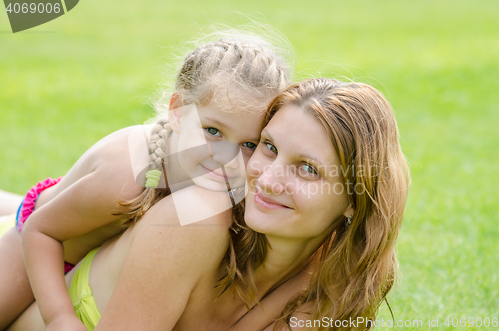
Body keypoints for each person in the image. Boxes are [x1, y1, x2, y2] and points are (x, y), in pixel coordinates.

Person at [6, 77, 410, 331]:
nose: (265, 179)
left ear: (355, 201)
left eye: (307, 169)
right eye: (268, 147)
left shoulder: (343, 275)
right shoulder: (196, 220)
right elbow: (42, 229)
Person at [0, 27, 292, 330]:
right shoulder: (126, 177)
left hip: (93, 252)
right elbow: (41, 231)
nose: (226, 156)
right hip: (35, 245)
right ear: (178, 111)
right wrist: (60, 317)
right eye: (213, 131)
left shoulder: (221, 173)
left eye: (248, 144)